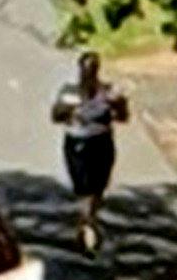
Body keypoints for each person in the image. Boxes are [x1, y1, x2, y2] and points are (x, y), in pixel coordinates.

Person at [52, 50, 129, 253]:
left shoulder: (108, 91)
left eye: (93, 69)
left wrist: (118, 104)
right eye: (85, 69)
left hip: (101, 142)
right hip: (77, 143)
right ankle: (88, 225)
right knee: (84, 188)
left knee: (98, 188)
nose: (88, 74)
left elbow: (123, 117)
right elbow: (55, 116)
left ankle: (86, 224)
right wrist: (69, 110)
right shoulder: (69, 93)